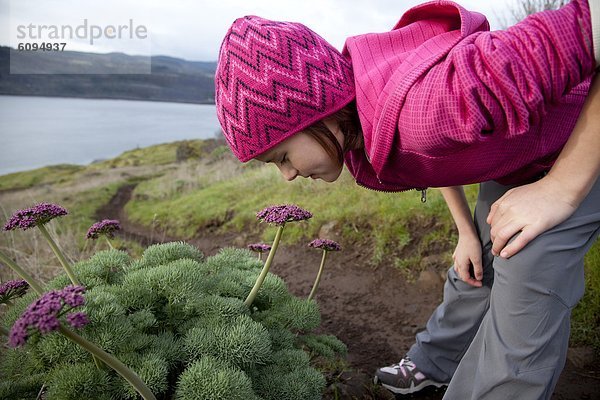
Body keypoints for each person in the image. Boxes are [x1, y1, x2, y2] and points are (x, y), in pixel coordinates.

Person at [215, 1, 600, 398]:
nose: (288, 175)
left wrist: (562, 189)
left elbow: (593, 26)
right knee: (477, 264)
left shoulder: (438, 103)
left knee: (522, 307)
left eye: (281, 157)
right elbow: (433, 157)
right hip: (518, 160)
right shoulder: (364, 117)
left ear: (316, 112)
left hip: (581, 152)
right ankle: (433, 365)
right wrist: (465, 230)